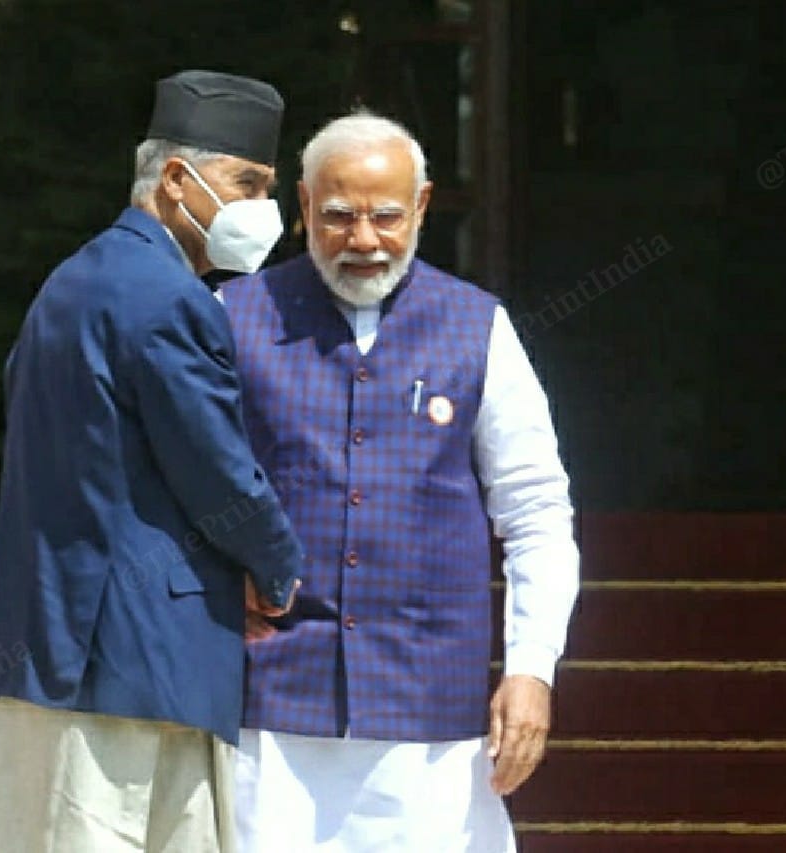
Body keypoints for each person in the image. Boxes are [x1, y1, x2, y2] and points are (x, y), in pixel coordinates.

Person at [0, 70, 304, 853]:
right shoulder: (168, 298)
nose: (262, 209)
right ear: (177, 179)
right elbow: (221, 473)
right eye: (247, 183)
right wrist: (275, 571)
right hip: (133, 665)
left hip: (51, 648)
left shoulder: (73, 281)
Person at [221, 111, 581, 852]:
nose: (363, 240)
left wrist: (531, 668)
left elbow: (537, 510)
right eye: (339, 216)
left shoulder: (477, 326)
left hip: (428, 714)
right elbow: (170, 485)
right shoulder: (234, 314)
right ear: (302, 206)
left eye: (386, 215)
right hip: (270, 705)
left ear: (421, 206)